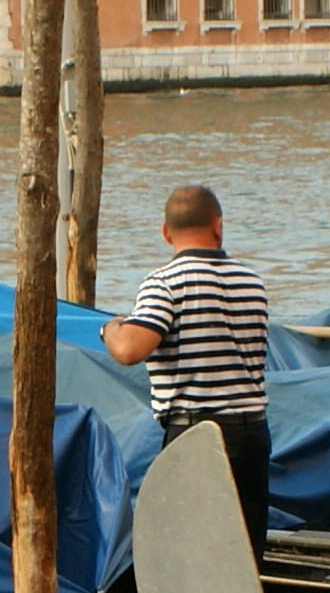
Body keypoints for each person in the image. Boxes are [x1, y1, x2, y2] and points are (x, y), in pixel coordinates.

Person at [105, 181, 274, 547]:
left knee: (195, 553)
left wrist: (111, 328)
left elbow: (129, 350)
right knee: (244, 550)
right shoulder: (252, 282)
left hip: (197, 437)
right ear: (218, 226)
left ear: (166, 233)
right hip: (252, 436)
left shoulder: (164, 283)